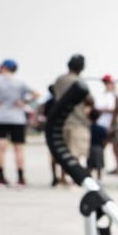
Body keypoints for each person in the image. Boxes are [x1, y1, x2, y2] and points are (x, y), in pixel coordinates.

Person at [0, 58, 36, 187]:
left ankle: (1, 176)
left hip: (0, 117)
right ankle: (20, 177)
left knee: (0, 148)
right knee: (19, 149)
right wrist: (24, 102)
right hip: (17, 118)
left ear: (3, 67)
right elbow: (36, 94)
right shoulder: (20, 82)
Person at [47, 54, 93, 186]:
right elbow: (89, 99)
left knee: (59, 151)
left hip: (58, 121)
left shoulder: (59, 80)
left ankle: (60, 178)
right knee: (75, 152)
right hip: (77, 121)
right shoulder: (79, 82)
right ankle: (72, 178)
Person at [88, 75, 117, 179]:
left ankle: (116, 167)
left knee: (114, 148)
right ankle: (94, 170)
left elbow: (114, 110)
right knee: (100, 149)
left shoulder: (115, 96)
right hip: (101, 125)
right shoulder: (102, 96)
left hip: (110, 125)